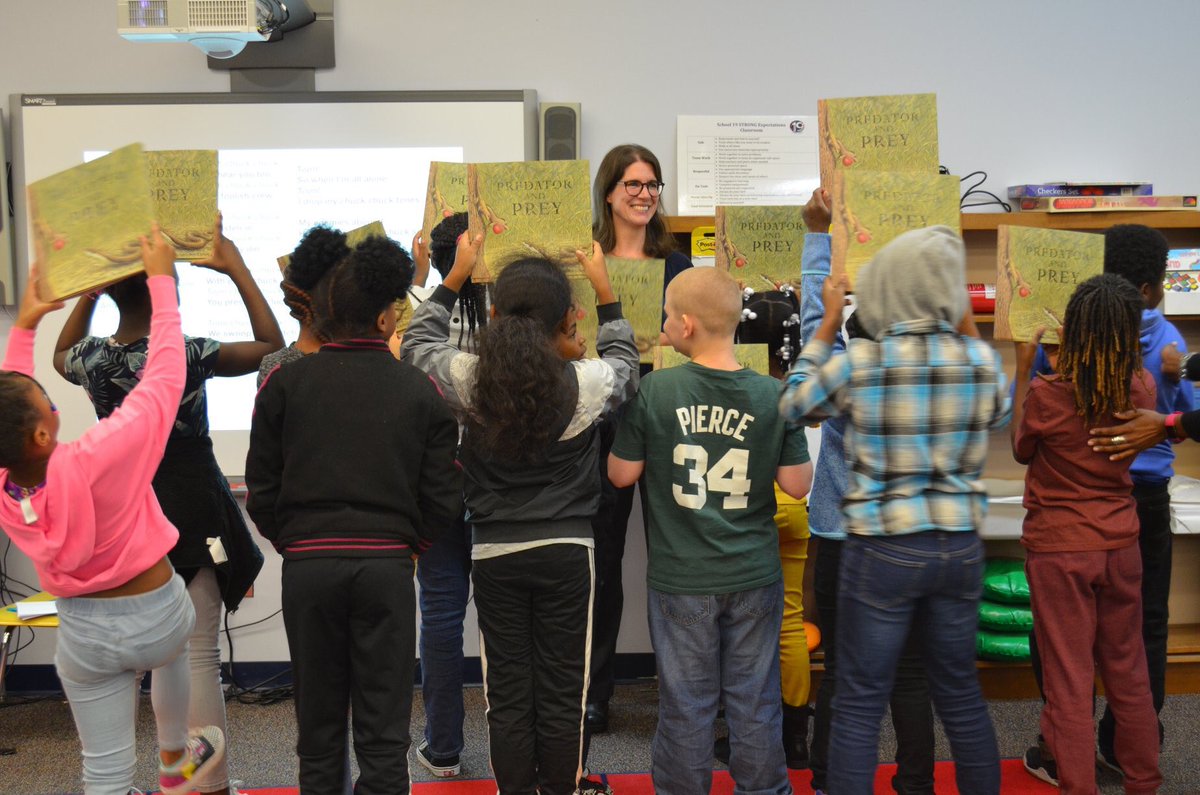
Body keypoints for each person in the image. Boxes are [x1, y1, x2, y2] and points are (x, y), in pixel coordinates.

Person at [402, 235, 638, 795]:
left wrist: (454, 274)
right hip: (568, 554)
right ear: (566, 318)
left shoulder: (469, 379)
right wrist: (606, 293)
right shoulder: (586, 381)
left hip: (494, 553)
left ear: (494, 314)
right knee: (562, 692)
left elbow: (415, 345)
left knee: (506, 694)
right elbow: (626, 367)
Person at [780, 226, 1008, 795]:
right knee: (960, 695)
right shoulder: (977, 361)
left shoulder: (865, 361)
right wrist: (963, 318)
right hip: (959, 548)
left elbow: (795, 405)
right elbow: (1000, 415)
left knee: (858, 698)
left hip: (882, 548)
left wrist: (828, 323)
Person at [53, 214, 277, 795]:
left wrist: (89, 293)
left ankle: (144, 778)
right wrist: (235, 267)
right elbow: (270, 346)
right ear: (167, 288)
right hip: (189, 506)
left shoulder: (94, 359)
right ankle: (201, 783)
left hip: (123, 511)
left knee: (142, 657)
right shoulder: (186, 352)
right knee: (194, 651)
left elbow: (59, 355)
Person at [0, 227, 224, 795]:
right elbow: (165, 377)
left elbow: (10, 403)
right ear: (45, 431)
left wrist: (24, 327)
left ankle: (152, 768)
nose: (50, 397)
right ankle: (174, 756)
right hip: (157, 615)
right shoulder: (99, 457)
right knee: (176, 645)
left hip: (83, 635)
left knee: (103, 770)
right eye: (47, 401)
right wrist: (162, 282)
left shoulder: (8, 488)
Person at [246, 227, 462, 795]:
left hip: (309, 569)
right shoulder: (420, 390)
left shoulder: (284, 384)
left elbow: (261, 488)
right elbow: (442, 496)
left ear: (321, 313)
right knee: (383, 734)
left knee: (317, 733)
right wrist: (408, 547)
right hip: (387, 569)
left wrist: (294, 543)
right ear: (387, 320)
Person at [607, 265, 811, 795]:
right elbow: (797, 484)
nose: (666, 323)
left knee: (686, 703)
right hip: (754, 573)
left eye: (669, 316)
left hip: (682, 576)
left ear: (688, 326)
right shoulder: (772, 394)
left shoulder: (656, 389)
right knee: (755, 699)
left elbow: (621, 474)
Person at [1022, 223, 1191, 783]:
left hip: (1062, 549)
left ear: (1075, 327)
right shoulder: (1141, 386)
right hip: (1122, 542)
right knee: (1131, 670)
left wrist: (1036, 365)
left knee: (1069, 681)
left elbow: (1024, 448)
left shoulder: (1048, 393)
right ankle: (1143, 779)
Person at [795, 189, 936, 795]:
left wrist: (818, 239)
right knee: (909, 675)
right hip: (911, 539)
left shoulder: (845, 375)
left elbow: (810, 326)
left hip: (846, 542)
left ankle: (831, 780)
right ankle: (916, 784)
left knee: (844, 674)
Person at [587, 143, 691, 735]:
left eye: (652, 184)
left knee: (675, 560)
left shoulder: (677, 266)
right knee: (601, 562)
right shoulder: (587, 261)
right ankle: (596, 692)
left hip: (667, 422)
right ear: (609, 192)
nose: (644, 194)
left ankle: (682, 690)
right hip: (602, 427)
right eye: (633, 184)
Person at [409, 212, 490, 780]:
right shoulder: (513, 319)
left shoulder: (417, 315)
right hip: (495, 487)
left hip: (434, 486)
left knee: (439, 616)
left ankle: (443, 749)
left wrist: (441, 278)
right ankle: (517, 745)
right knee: (505, 620)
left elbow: (414, 351)